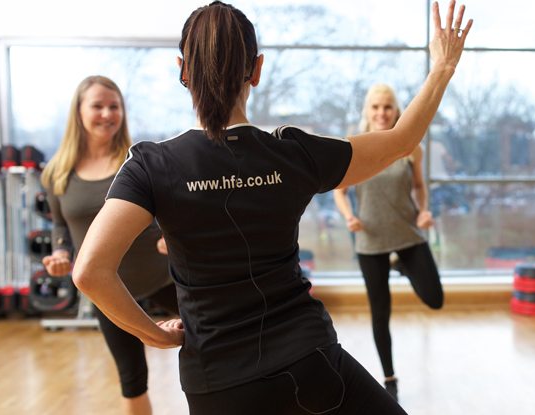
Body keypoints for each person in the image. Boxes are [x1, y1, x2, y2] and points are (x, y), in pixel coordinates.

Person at [70, 1, 472, 414]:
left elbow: (90, 271)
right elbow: (402, 141)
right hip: (309, 363)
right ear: (257, 70)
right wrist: (442, 67)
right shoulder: (291, 153)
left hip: (216, 384)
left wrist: (153, 334)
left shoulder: (151, 166)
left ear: (183, 70)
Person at [40, 75, 179, 415]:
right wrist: (60, 253)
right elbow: (62, 224)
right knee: (132, 380)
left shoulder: (137, 162)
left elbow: (170, 212)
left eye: (114, 106)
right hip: (110, 292)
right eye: (98, 106)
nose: (107, 114)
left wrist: (171, 238)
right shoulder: (57, 172)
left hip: (163, 277)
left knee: (216, 347)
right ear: (79, 112)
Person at [332, 84, 444, 401]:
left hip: (406, 232)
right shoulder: (354, 146)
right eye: (376, 107)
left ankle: (402, 266)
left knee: (435, 299)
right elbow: (339, 190)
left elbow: (420, 187)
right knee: (380, 312)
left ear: (396, 111)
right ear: (367, 111)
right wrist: (348, 216)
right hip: (370, 239)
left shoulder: (410, 146)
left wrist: (424, 210)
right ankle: (390, 378)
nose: (382, 113)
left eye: (388, 107)